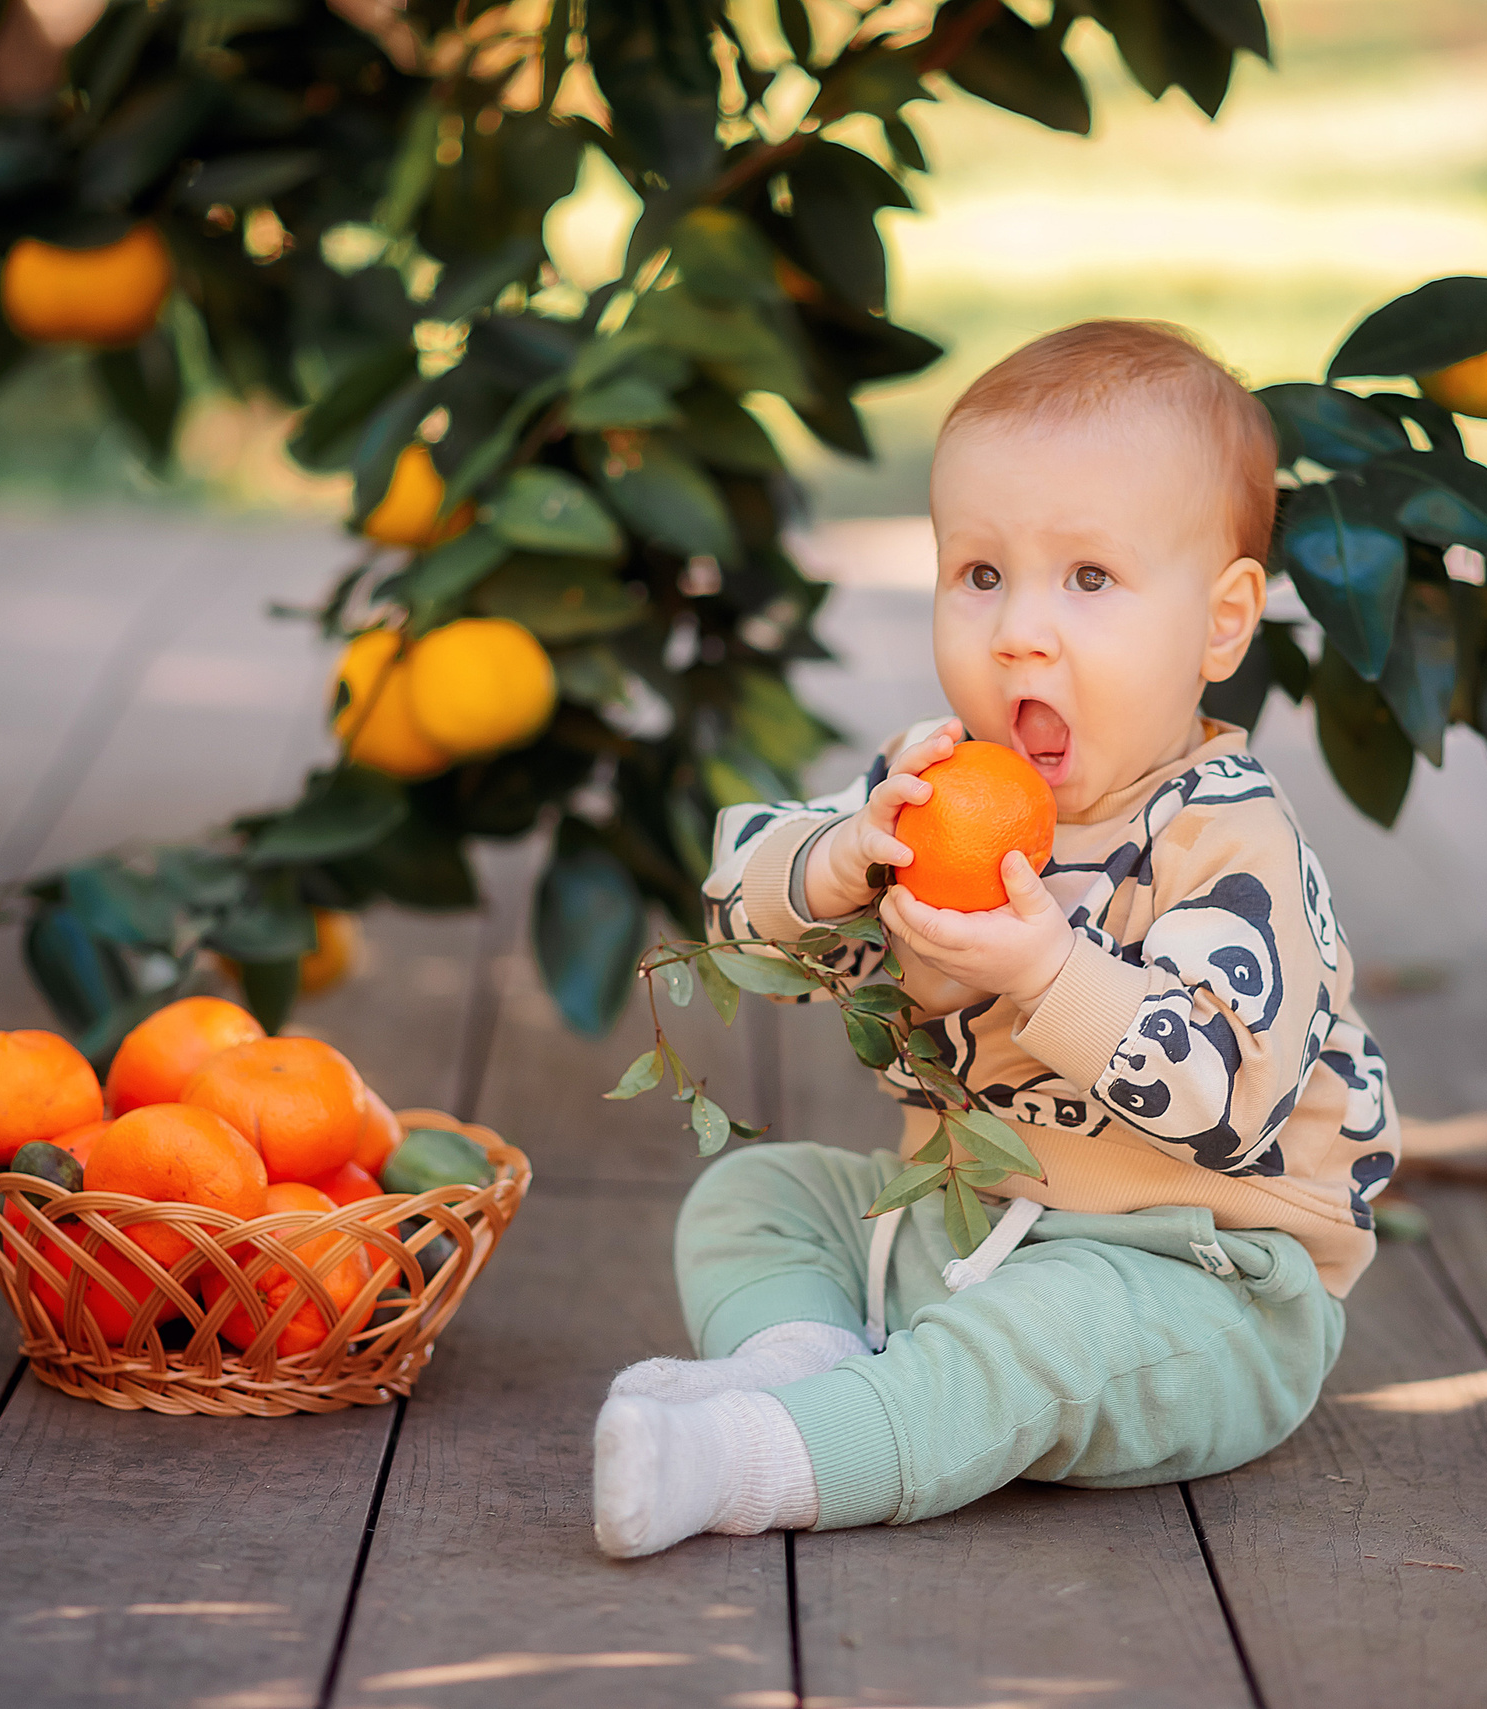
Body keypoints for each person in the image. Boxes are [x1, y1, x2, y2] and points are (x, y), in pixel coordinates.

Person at [591, 319, 1401, 1558]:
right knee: (754, 1193)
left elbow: (1223, 1097)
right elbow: (742, 914)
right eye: (979, 574)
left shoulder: (1229, 845)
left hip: (1188, 1283)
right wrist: (838, 859)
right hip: (950, 1227)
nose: (1018, 629)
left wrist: (1046, 972)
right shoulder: (928, 790)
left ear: (1220, 625)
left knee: (1045, 1331)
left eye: (1088, 578)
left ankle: (758, 1457)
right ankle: (803, 1365)